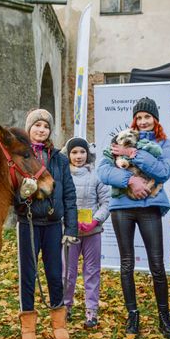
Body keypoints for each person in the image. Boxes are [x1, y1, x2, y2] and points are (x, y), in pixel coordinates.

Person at [97, 97, 170, 339]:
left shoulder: (164, 144)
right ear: (135, 120)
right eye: (139, 117)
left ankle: (164, 317)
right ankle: (133, 315)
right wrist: (129, 180)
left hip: (149, 207)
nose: (143, 121)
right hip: (122, 207)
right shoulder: (118, 140)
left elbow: (164, 171)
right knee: (126, 264)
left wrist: (133, 153)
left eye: (147, 117)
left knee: (157, 265)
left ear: (155, 119)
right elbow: (103, 170)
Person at [15, 108, 78, 339]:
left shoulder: (59, 159)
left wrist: (71, 228)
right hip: (28, 224)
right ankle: (28, 325)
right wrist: (22, 197)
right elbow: (12, 192)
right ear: (29, 128)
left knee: (54, 274)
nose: (41, 130)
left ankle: (58, 323)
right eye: (37, 126)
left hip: (53, 224)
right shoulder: (20, 157)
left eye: (45, 126)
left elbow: (70, 195)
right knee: (28, 275)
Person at [61, 137, 110, 328]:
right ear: (68, 155)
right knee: (67, 273)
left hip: (92, 233)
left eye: (82, 152)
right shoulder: (64, 176)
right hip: (70, 233)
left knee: (92, 271)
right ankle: (66, 307)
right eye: (74, 152)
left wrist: (96, 220)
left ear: (88, 154)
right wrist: (69, 223)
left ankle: (91, 311)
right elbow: (61, 204)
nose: (78, 156)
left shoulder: (97, 176)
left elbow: (106, 202)